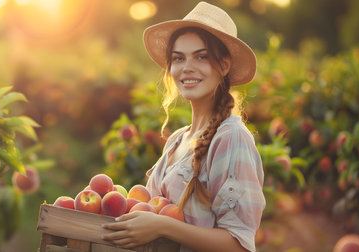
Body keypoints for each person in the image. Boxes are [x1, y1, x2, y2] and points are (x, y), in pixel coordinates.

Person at [102, 2, 265, 251]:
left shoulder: (230, 137)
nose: (187, 67)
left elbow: (239, 245)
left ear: (223, 65)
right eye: (179, 58)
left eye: (201, 56)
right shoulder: (176, 141)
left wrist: (161, 226)